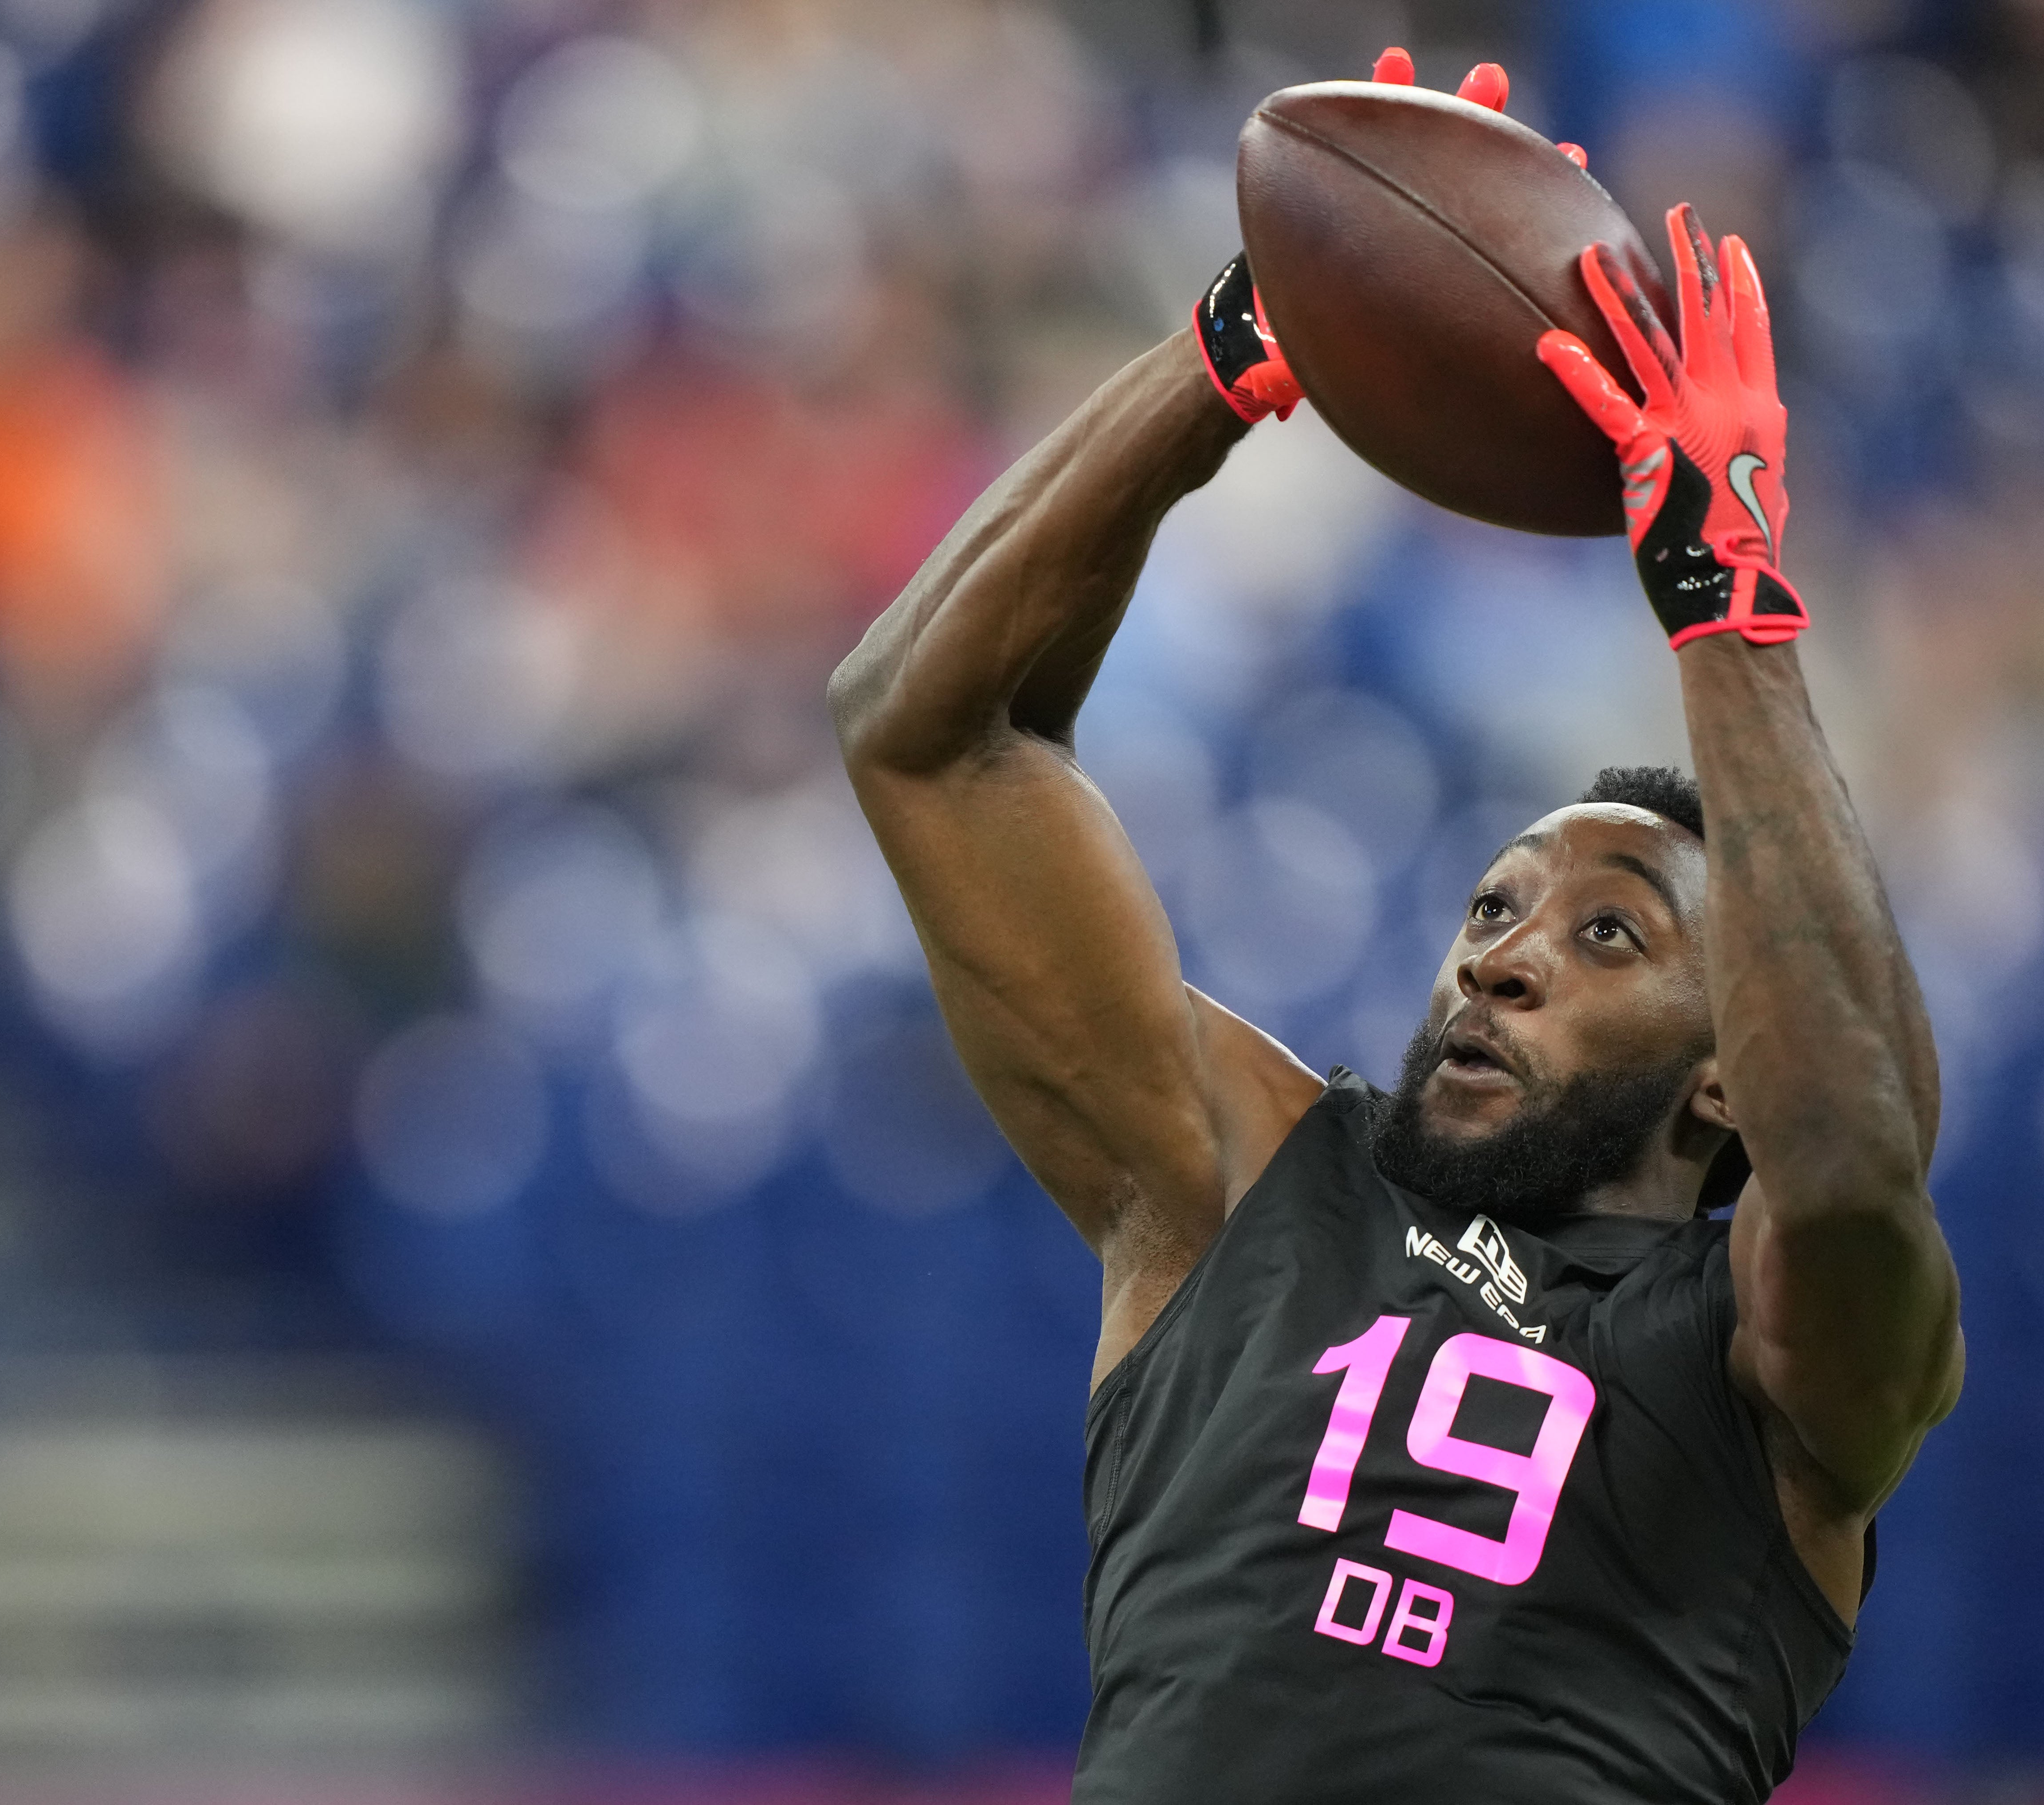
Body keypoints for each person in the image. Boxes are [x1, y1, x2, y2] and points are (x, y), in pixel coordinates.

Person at [828, 49, 1962, 1805]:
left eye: (1611, 937)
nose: (1503, 951)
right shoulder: (1253, 1178)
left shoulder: (1782, 1376)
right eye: (1496, 905)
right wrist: (1234, 349)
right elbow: (923, 732)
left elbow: (1859, 1159)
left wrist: (1722, 592)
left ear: (1731, 1074)